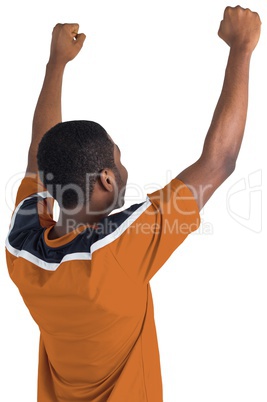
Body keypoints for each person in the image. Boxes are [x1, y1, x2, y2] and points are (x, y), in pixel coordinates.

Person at [5, 5, 261, 402]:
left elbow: (37, 159)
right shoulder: (120, 250)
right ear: (107, 179)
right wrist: (242, 47)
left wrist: (56, 63)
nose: (123, 166)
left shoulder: (22, 249)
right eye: (118, 158)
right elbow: (219, 162)